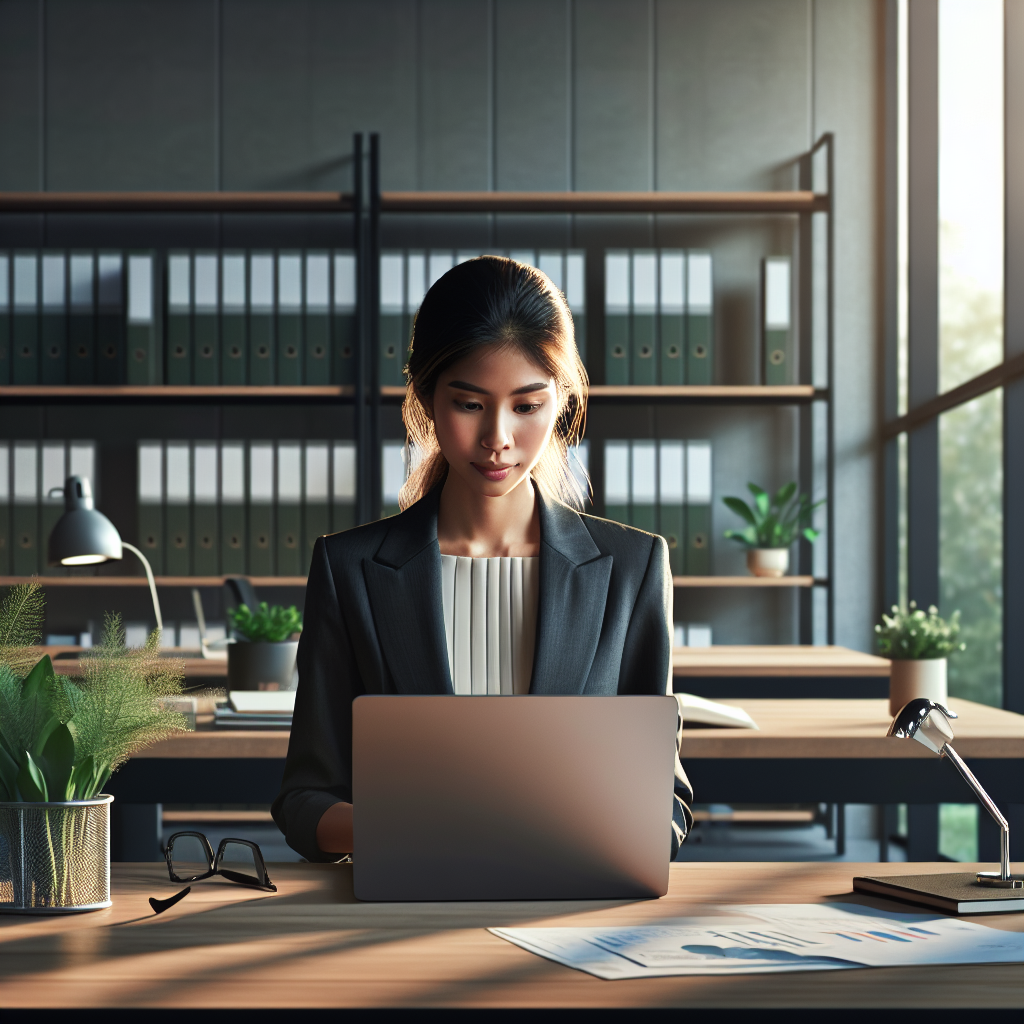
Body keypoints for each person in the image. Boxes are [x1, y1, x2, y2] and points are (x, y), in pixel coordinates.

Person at [272, 255, 693, 860]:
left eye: (527, 406)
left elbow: (665, 806)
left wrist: (580, 830)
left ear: (562, 401)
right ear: (425, 397)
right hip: (406, 910)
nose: (498, 437)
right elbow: (304, 800)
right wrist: (419, 832)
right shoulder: (349, 571)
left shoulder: (633, 568)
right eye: (470, 403)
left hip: (567, 908)